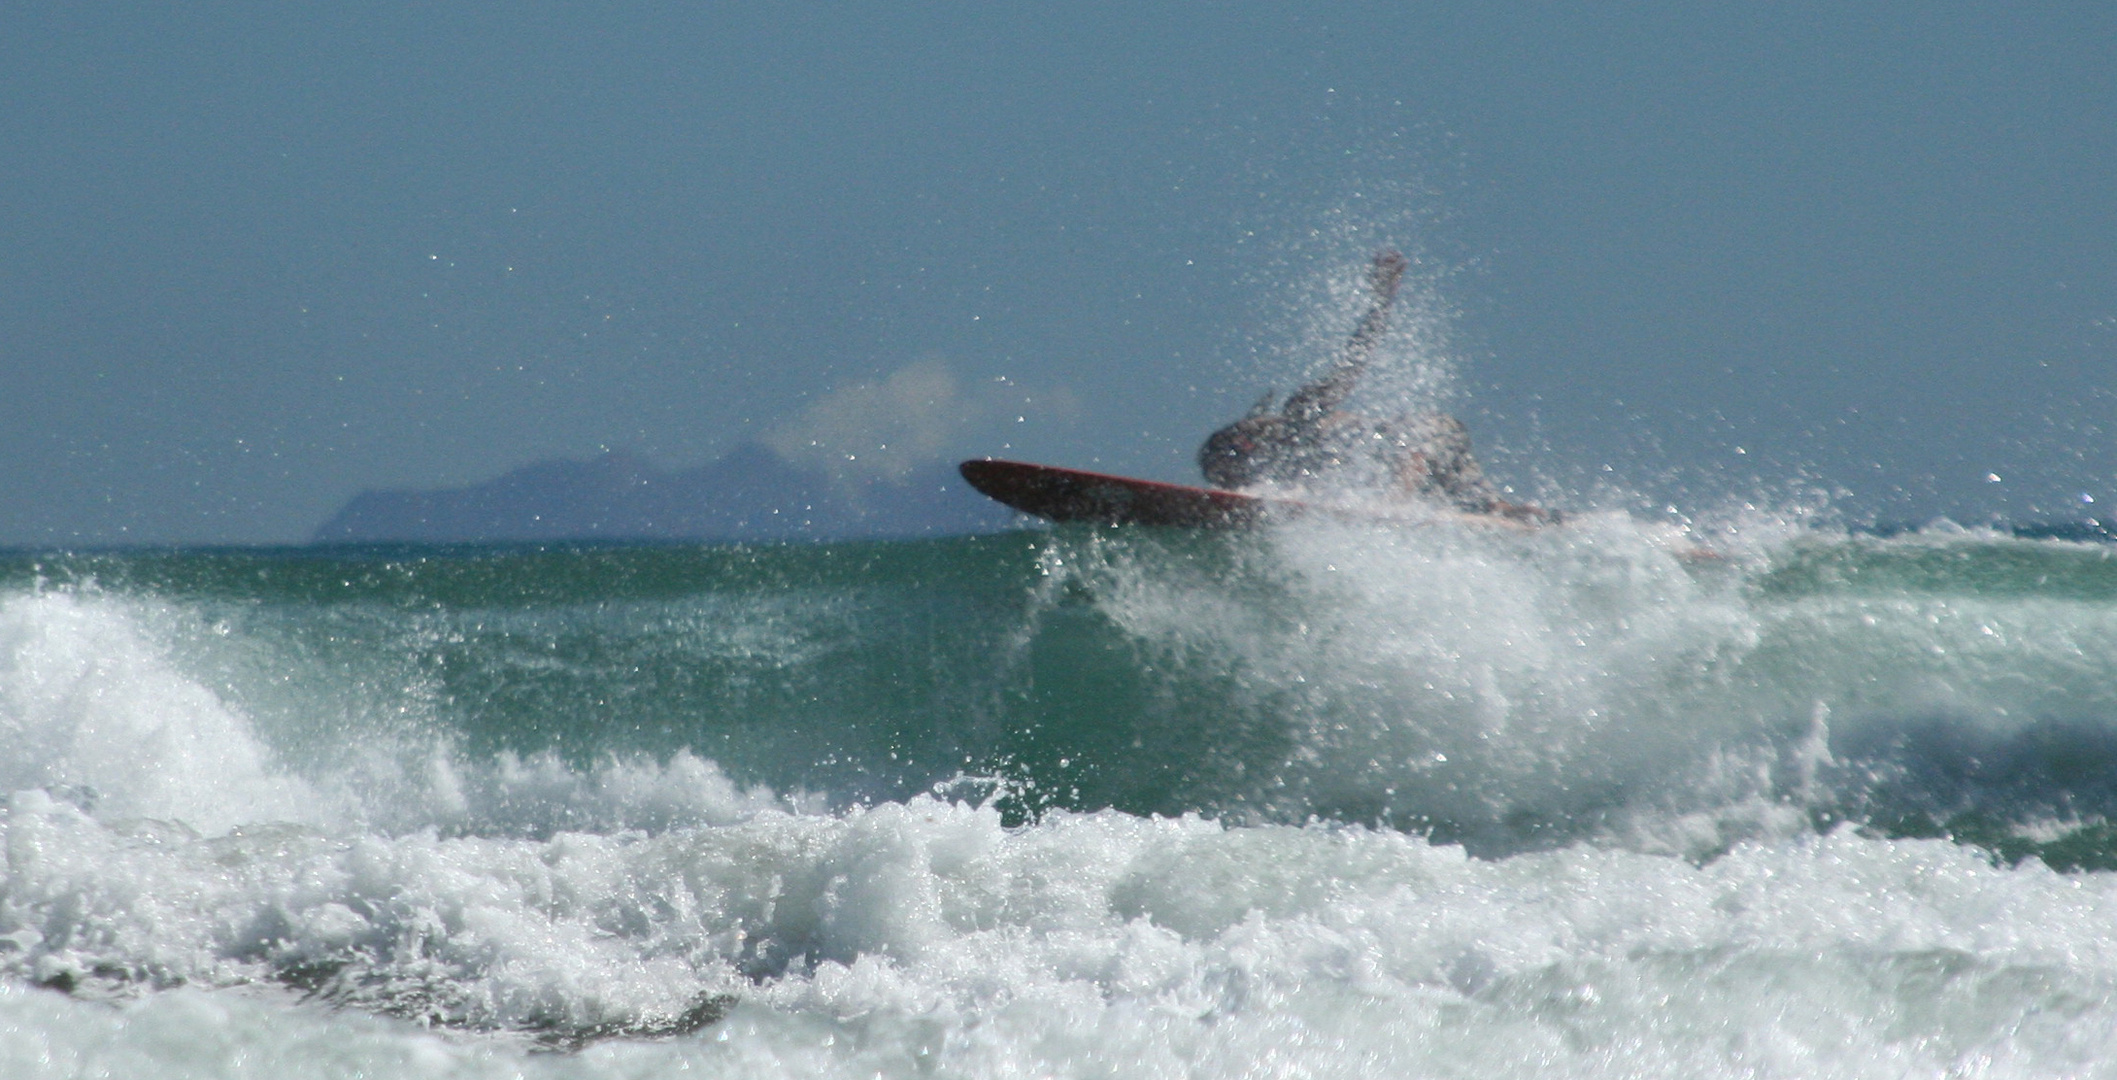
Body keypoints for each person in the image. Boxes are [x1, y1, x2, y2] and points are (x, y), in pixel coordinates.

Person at [1197, 251, 1551, 523]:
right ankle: (1545, 520)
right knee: (1488, 509)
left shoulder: (1300, 413)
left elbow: (1352, 364)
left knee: (1403, 444)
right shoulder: (1294, 470)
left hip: (1429, 437)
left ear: (1244, 446)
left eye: (1232, 478)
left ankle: (1395, 511)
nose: (1238, 487)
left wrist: (1382, 302)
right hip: (1426, 467)